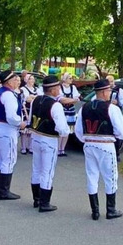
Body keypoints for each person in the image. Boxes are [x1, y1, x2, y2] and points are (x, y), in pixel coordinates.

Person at [74, 79, 123, 220]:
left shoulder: (84, 107)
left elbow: (78, 131)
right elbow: (121, 131)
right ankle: (111, 210)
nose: (110, 93)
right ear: (104, 92)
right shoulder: (112, 108)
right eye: (109, 91)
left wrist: (87, 139)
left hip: (89, 144)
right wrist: (115, 137)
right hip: (105, 144)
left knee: (92, 176)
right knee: (110, 176)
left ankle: (95, 211)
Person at [29, 75, 70, 211]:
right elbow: (62, 128)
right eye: (58, 87)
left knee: (36, 168)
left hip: (35, 137)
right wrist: (64, 133)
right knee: (47, 171)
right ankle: (44, 203)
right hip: (49, 139)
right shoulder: (55, 105)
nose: (59, 90)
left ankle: (36, 199)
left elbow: (30, 120)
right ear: (52, 90)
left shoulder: (36, 100)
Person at [0, 70, 24, 200]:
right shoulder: (8, 95)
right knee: (9, 159)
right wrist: (20, 123)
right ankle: (4, 191)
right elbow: (11, 116)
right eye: (15, 79)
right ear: (9, 81)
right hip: (6, 129)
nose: (18, 82)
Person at [56, 73, 80, 157]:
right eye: (69, 78)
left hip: (70, 111)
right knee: (60, 129)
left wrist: (68, 100)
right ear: (65, 79)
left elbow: (77, 99)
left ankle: (62, 149)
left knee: (67, 130)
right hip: (62, 110)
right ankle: (57, 148)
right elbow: (61, 100)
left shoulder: (73, 87)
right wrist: (71, 100)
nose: (71, 79)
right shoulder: (60, 87)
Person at [19, 72, 38, 156]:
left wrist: (32, 97)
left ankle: (30, 147)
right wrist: (33, 97)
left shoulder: (36, 89)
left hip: (34, 110)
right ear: (26, 80)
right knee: (25, 130)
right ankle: (23, 147)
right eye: (30, 79)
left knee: (32, 129)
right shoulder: (23, 89)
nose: (32, 81)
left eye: (33, 79)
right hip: (26, 110)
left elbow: (39, 98)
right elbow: (27, 99)